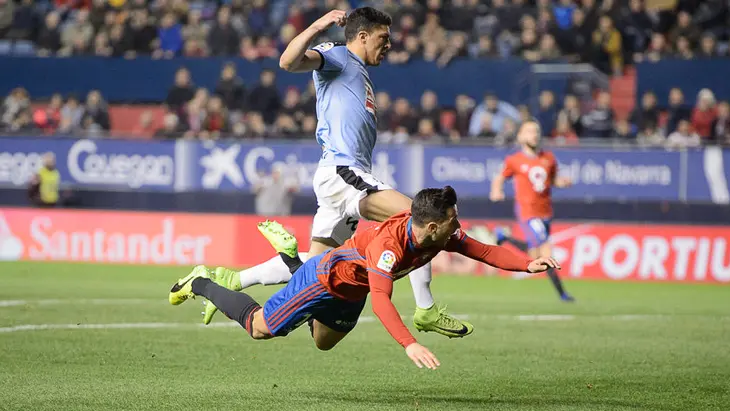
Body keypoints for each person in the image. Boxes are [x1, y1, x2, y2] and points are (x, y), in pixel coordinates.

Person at [201, 7, 472, 338]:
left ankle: (240, 278)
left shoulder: (359, 72)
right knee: (418, 215)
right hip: (342, 173)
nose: (389, 45)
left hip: (343, 183)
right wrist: (318, 25)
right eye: (383, 38)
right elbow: (287, 62)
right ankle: (425, 308)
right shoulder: (337, 56)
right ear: (362, 36)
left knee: (322, 307)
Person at [169, 187, 560, 369]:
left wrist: (527, 264)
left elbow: (485, 250)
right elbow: (382, 301)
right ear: (431, 227)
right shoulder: (390, 246)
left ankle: (290, 260)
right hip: (325, 281)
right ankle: (201, 281)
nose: (459, 225)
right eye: (453, 220)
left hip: (348, 292)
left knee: (322, 343)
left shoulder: (441, 233)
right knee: (260, 329)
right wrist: (408, 344)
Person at [489, 120, 575, 302]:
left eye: (536, 131)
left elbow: (552, 181)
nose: (534, 134)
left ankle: (504, 237)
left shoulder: (549, 158)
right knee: (546, 253)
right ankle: (563, 294)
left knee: (534, 255)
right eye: (529, 131)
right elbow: (499, 178)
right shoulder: (514, 161)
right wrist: (497, 190)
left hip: (545, 212)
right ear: (520, 136)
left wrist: (563, 182)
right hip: (527, 212)